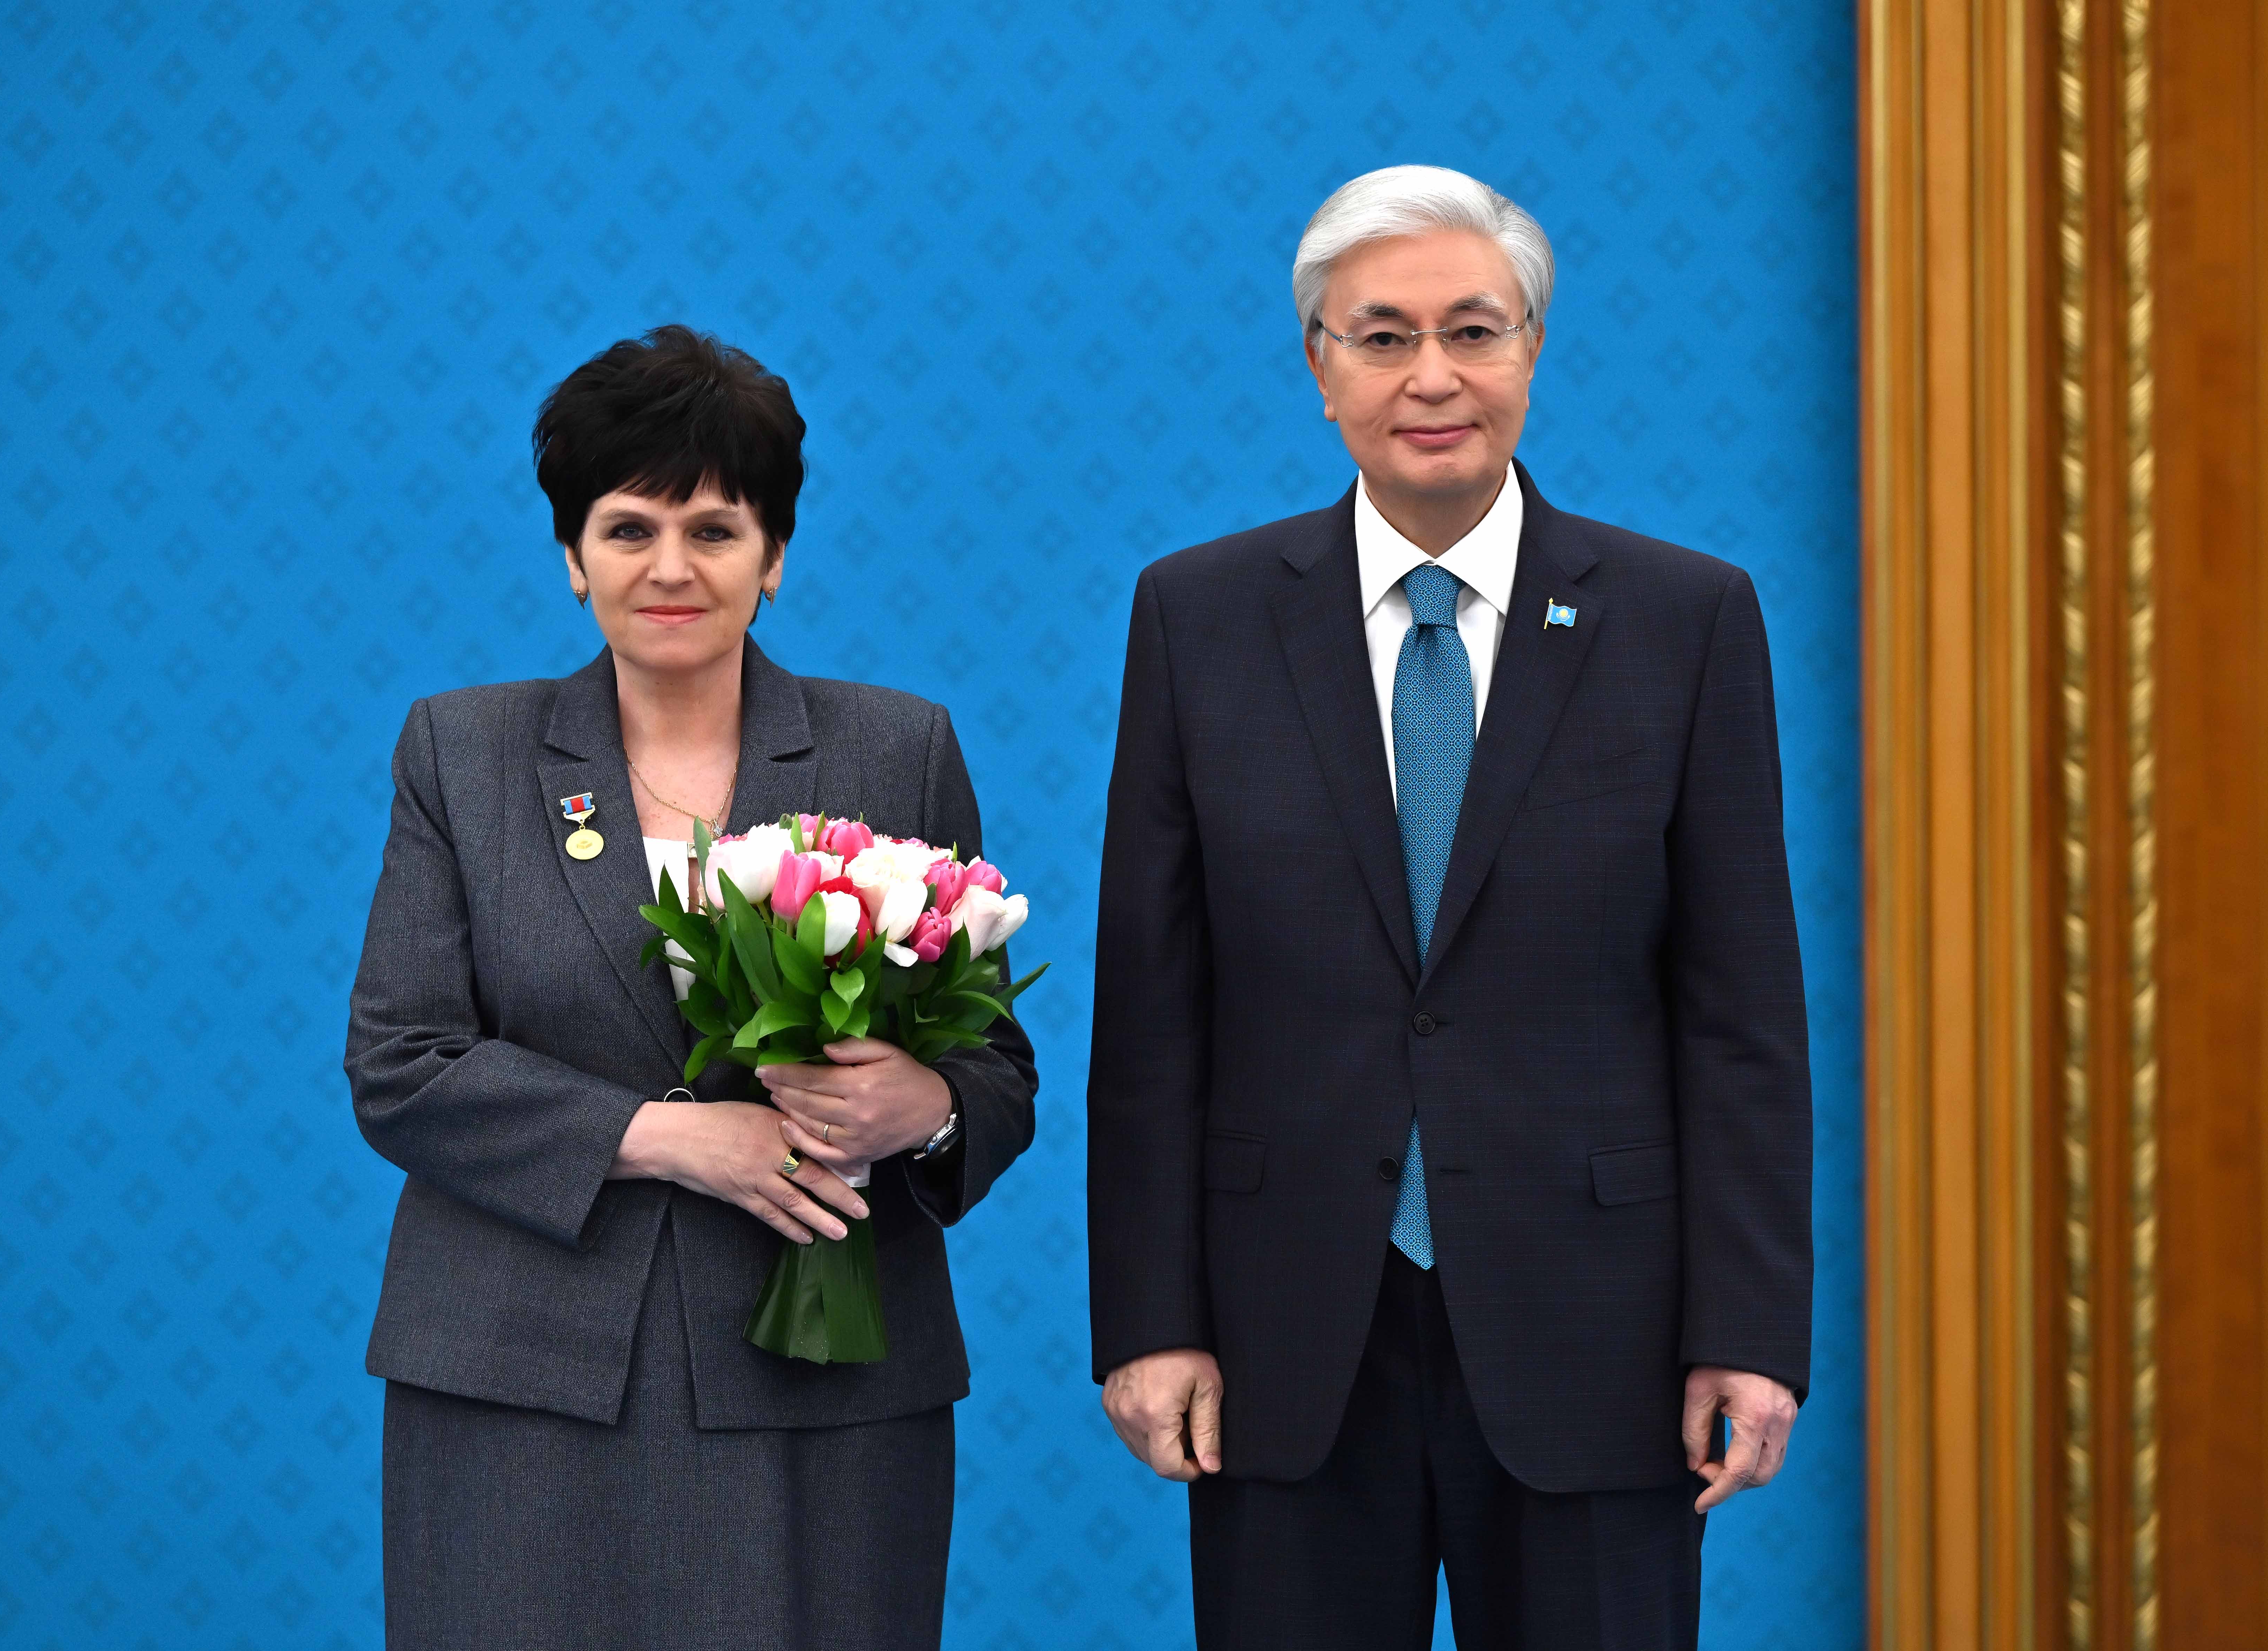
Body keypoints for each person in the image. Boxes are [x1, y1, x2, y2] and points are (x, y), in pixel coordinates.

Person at [1087, 166, 1812, 1649]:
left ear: (1530, 351)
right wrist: (1149, 1320)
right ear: (1320, 366)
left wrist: (1746, 1332)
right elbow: (1153, 1014)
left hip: (1599, 1334)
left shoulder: (1682, 620)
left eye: (1473, 332)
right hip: (1287, 1332)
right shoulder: (1197, 616)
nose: (1432, 377)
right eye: (1382, 336)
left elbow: (1739, 1015)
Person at [346, 325, 1036, 1651]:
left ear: (773, 557)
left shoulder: (896, 747)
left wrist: (926, 1107)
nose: (670, 567)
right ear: (573, 555)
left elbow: (997, 1072)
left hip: (824, 1387)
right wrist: (673, 1137)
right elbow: (402, 1063)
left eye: (714, 529)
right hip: (520, 1378)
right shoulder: (462, 750)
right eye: (628, 529)